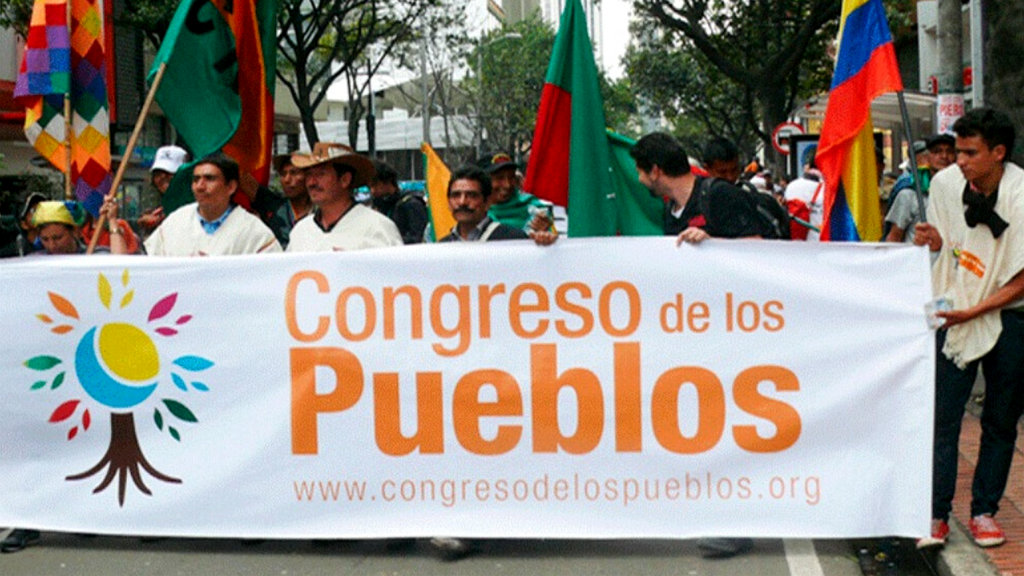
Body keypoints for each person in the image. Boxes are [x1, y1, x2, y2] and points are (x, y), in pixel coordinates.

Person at [630, 132, 758, 559]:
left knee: (736, 431)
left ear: (655, 171)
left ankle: (738, 524)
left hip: (738, 333)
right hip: (700, 335)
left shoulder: (719, 196)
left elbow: (763, 253)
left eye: (641, 172)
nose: (640, 180)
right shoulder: (670, 210)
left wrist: (715, 246)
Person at [913, 108, 1024, 550]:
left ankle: (984, 512)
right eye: (957, 151)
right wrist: (935, 241)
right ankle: (935, 514)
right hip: (954, 311)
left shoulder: (1020, 193)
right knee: (942, 417)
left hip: (1009, 314)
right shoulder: (944, 185)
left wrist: (976, 310)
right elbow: (950, 245)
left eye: (970, 153)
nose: (958, 160)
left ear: (998, 153)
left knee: (1000, 420)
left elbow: (1021, 279)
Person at [1, 197, 124, 553]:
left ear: (75, 232)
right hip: (44, 368)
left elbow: (122, 267)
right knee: (39, 446)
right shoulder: (30, 266)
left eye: (59, 237)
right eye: (46, 238)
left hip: (88, 363)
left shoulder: (97, 255)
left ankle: (81, 515)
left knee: (86, 443)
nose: (52, 245)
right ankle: (28, 521)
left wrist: (112, 223)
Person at [144, 153, 282, 256]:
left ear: (231, 187)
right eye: (196, 179)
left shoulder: (254, 232)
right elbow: (150, 266)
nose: (200, 186)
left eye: (209, 179)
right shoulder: (175, 223)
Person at [286, 143, 402, 252]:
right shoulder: (301, 232)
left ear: (345, 180)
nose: (312, 182)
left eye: (321, 174)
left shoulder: (377, 228)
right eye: (309, 175)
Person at [438, 166, 557, 245]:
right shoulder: (441, 247)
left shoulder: (515, 240)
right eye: (456, 195)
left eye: (472, 195)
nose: (462, 202)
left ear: (487, 202)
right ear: (448, 202)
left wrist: (545, 245)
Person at [884, 133, 956, 243]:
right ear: (927, 157)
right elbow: (894, 237)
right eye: (937, 151)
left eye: (950, 151)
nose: (944, 156)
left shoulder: (962, 192)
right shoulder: (909, 194)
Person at [482, 152, 554, 234]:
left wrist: (543, 232)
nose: (507, 185)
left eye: (511, 177)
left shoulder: (531, 207)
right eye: (499, 178)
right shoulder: (475, 210)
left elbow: (550, 233)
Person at [369, 160, 428, 244]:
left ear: (388, 182)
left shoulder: (411, 204)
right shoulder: (381, 205)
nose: (372, 191)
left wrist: (389, 241)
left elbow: (417, 237)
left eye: (375, 185)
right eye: (370, 187)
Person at [137, 145, 188, 234]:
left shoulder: (196, 202)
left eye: (169, 173)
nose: (162, 177)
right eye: (158, 173)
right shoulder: (155, 205)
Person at [783, 147, 824, 241]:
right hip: (821, 241)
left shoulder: (792, 186)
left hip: (797, 242)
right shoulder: (828, 188)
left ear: (807, 166)